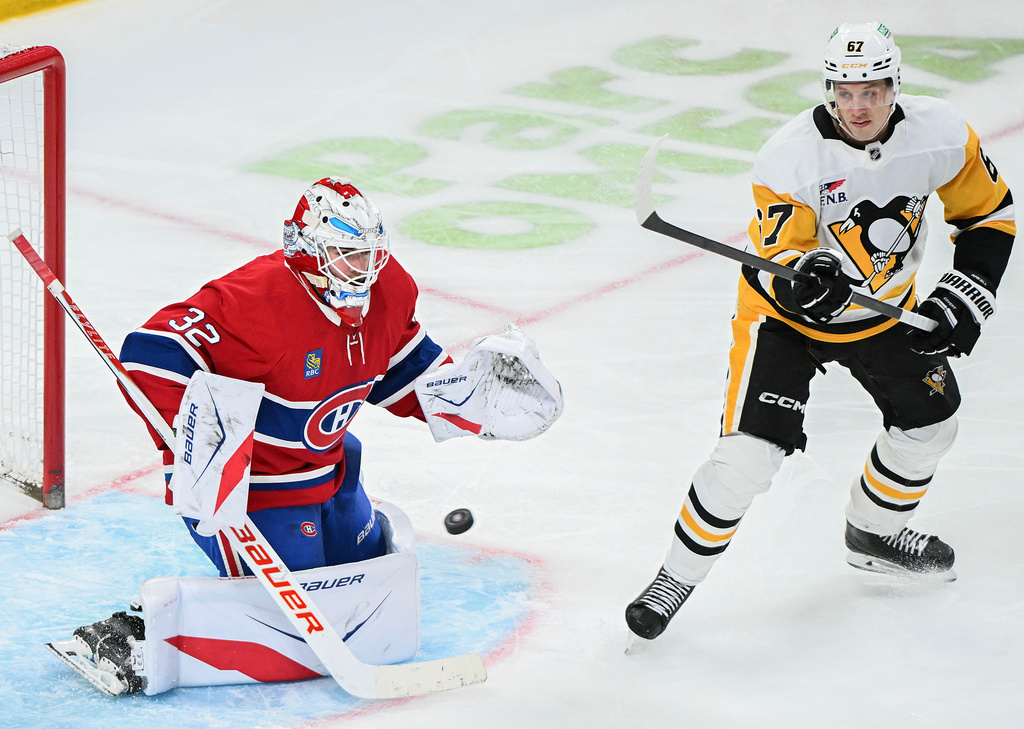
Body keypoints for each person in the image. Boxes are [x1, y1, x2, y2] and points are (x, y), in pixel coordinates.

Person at [47, 177, 562, 695]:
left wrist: (472, 402)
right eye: (345, 255)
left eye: (370, 254)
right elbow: (148, 353)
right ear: (305, 251)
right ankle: (134, 635)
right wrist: (199, 440)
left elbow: (403, 369)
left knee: (363, 586)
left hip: (332, 471)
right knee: (297, 616)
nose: (363, 270)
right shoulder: (253, 299)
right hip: (252, 490)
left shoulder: (390, 290)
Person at [626, 22, 1015, 641]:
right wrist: (810, 278)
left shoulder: (941, 133)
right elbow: (783, 265)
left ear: (894, 86)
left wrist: (968, 292)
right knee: (749, 456)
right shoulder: (789, 157)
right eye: (845, 91)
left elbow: (990, 214)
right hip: (782, 320)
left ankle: (874, 533)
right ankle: (674, 577)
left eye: (872, 90)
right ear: (829, 89)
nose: (858, 106)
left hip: (884, 310)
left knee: (930, 424)